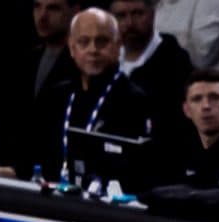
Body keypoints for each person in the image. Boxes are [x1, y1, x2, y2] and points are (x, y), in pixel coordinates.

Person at [28, 7, 154, 183]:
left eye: (102, 42)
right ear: (72, 48)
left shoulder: (135, 102)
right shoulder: (55, 96)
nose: (93, 50)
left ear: (118, 46)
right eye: (84, 42)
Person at [112, 0, 195, 110]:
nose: (130, 23)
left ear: (153, 14)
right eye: (121, 16)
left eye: (137, 13)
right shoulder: (105, 60)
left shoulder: (175, 62)